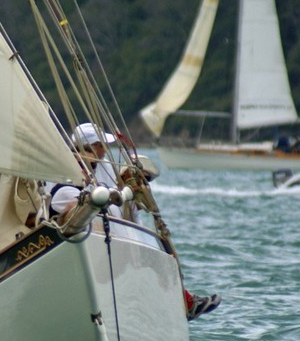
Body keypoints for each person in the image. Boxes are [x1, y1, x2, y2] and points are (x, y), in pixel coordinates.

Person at [53, 122, 221, 320]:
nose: (105, 149)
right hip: (86, 244)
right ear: (89, 145)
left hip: (111, 243)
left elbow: (118, 207)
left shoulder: (102, 168)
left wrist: (129, 195)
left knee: (162, 258)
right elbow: (64, 201)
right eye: (100, 145)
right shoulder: (65, 171)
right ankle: (182, 302)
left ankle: (182, 301)